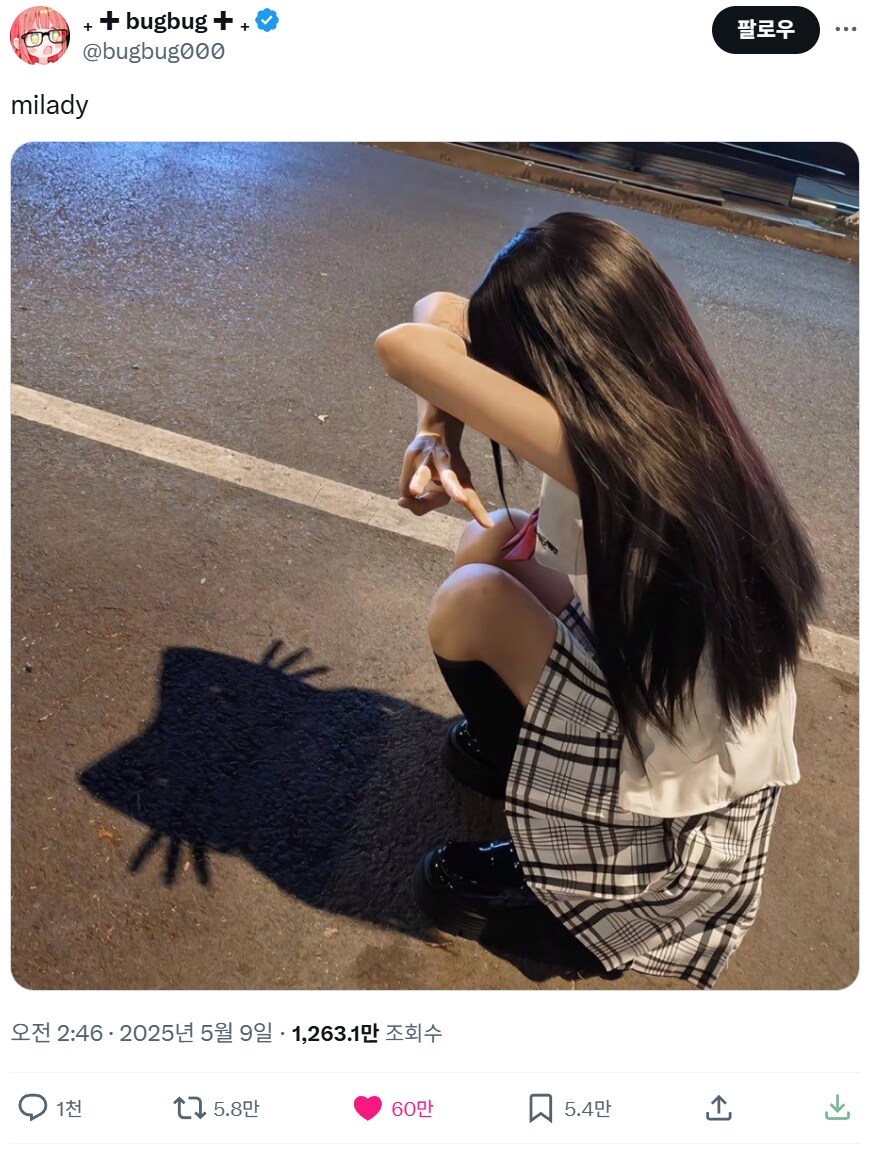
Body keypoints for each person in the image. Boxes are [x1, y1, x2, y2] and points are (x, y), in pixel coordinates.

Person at [374, 212, 820, 989]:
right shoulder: (657, 406)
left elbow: (405, 346)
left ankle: (558, 874)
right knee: (494, 537)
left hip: (669, 792)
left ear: (555, 360)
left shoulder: (608, 451)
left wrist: (442, 414)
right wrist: (436, 431)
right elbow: (440, 308)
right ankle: (529, 762)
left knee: (471, 603)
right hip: (662, 693)